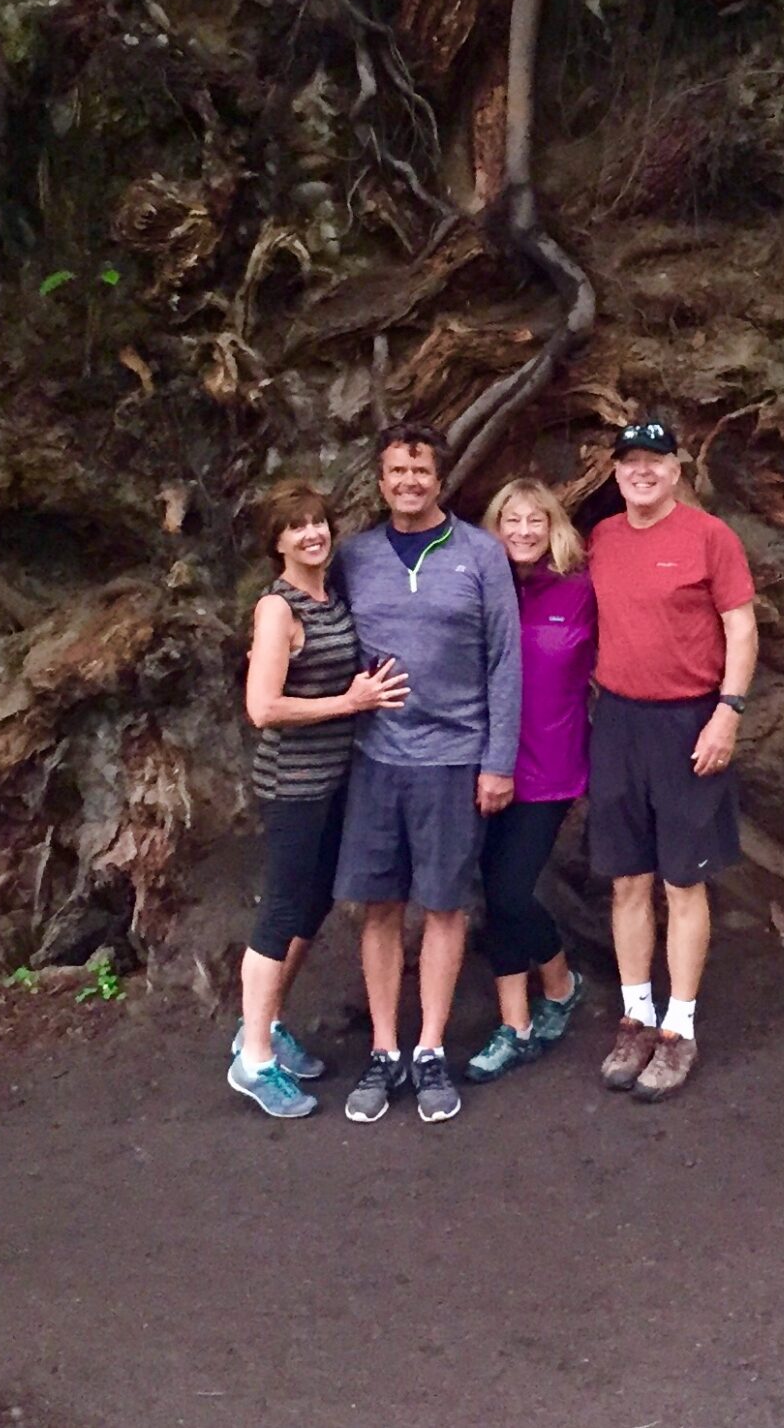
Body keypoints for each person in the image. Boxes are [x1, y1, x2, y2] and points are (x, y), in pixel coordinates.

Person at [329, 422, 521, 1124]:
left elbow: (505, 662)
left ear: (440, 479)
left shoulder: (480, 554)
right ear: (380, 480)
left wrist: (498, 761)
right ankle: (384, 1048)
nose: (408, 482)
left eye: (420, 471)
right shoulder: (354, 557)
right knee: (379, 905)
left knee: (444, 905)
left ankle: (431, 1048)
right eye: (395, 472)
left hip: (454, 758)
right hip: (376, 758)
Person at [587, 417, 758, 1103]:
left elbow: (740, 627)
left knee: (683, 880)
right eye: (629, 462)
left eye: (654, 460)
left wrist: (728, 711)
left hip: (690, 719)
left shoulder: (709, 537)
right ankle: (637, 1015)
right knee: (627, 878)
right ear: (617, 472)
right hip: (619, 720)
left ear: (677, 468)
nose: (641, 472)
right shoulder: (601, 538)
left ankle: (679, 1027)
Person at [227, 482, 409, 1120]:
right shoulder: (278, 610)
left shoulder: (329, 595)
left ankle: (267, 1023)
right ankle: (253, 1059)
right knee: (281, 912)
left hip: (336, 780)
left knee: (313, 903)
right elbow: (262, 707)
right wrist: (348, 703)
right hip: (293, 785)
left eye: (319, 523)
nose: (313, 534)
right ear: (276, 542)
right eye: (296, 527)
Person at [463, 477, 594, 1083]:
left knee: (511, 891)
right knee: (494, 894)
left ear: (553, 528)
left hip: (552, 766)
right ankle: (514, 1025)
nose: (522, 532)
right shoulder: (482, 594)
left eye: (534, 521)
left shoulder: (581, 590)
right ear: (494, 529)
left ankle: (562, 985)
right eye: (510, 520)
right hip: (481, 765)